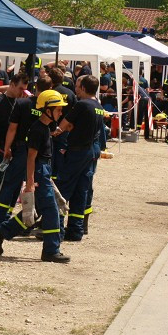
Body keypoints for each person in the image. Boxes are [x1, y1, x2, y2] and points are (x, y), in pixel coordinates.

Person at [0, 90, 70, 263]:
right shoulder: (37, 130)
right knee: (51, 211)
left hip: (43, 172)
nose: (61, 112)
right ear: (47, 109)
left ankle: (1, 231)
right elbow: (31, 158)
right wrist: (30, 183)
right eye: (58, 109)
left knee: (37, 210)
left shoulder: (45, 128)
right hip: (39, 172)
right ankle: (51, 250)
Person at [0, 75, 53, 231]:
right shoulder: (48, 109)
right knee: (34, 187)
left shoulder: (23, 104)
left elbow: (12, 129)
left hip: (21, 150)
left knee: (9, 185)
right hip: (40, 154)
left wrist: (7, 148)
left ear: (36, 88)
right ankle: (24, 223)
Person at [55, 75, 106, 241]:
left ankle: (56, 228)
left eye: (78, 86)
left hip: (77, 152)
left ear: (83, 88)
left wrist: (52, 133)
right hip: (90, 152)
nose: (75, 89)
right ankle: (76, 231)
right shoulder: (98, 106)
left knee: (64, 188)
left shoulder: (82, 105)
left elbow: (64, 126)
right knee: (81, 191)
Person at [0, 73, 27, 197]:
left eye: (25, 90)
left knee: (14, 181)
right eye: (20, 89)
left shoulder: (22, 104)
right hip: (0, 147)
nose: (22, 92)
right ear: (12, 85)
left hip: (17, 148)